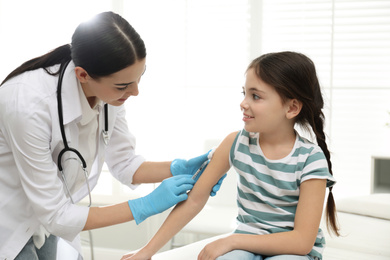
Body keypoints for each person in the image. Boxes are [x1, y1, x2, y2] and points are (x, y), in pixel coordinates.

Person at [0, 11, 223, 260]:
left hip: (46, 218)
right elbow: (57, 216)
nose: (136, 91)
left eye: (140, 77)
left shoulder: (108, 93)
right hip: (8, 221)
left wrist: (178, 168)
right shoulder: (28, 104)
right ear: (83, 75)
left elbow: (125, 163)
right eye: (124, 86)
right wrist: (145, 205)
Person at [122, 51, 340, 260]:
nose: (243, 103)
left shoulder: (310, 159)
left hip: (292, 252)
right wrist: (147, 250)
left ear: (292, 108)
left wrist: (233, 241)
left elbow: (301, 242)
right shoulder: (236, 143)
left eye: (255, 96)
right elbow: (195, 199)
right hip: (246, 243)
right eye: (244, 93)